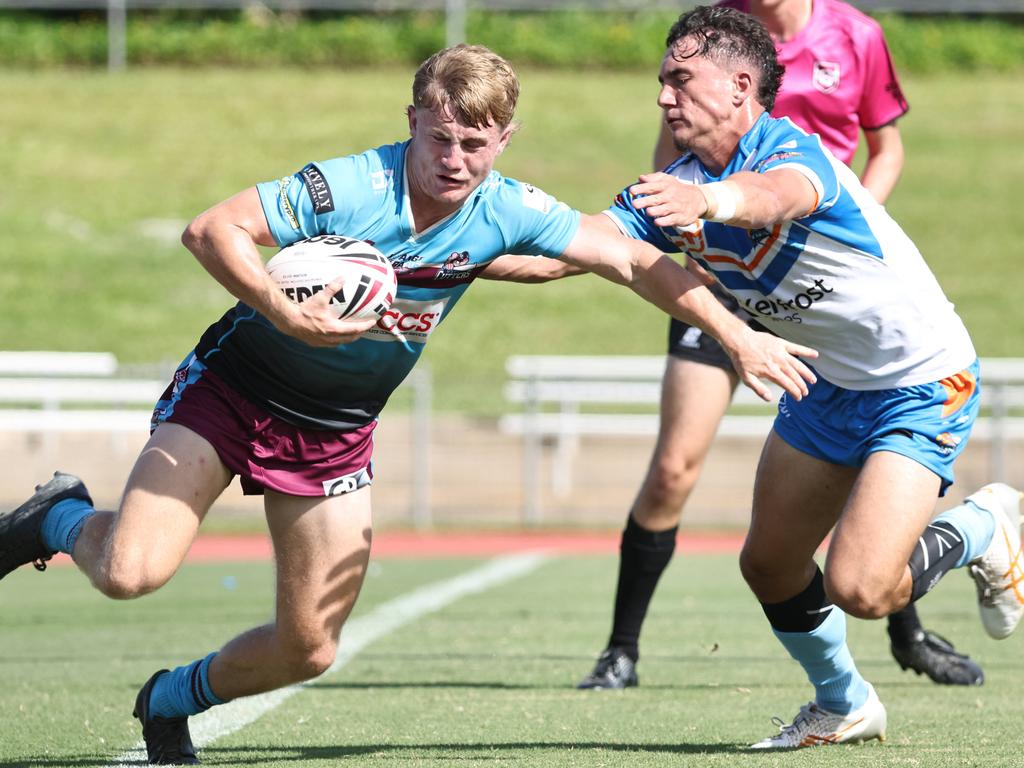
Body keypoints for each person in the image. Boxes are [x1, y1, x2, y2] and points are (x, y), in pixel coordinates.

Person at [0, 44, 815, 766]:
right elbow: (212, 229)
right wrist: (287, 312)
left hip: (336, 431)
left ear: (503, 141)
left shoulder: (509, 208)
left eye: (474, 143)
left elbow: (636, 263)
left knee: (308, 649)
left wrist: (737, 337)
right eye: (439, 138)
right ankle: (57, 519)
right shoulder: (350, 185)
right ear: (413, 123)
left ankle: (170, 699)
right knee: (131, 571)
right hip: (235, 390)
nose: (454, 160)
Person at [591, 5, 1022, 747]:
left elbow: (771, 199)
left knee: (863, 589)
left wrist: (709, 204)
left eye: (680, 81)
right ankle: (844, 702)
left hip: (921, 378)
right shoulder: (678, 181)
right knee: (769, 563)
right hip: (827, 386)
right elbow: (586, 241)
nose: (663, 97)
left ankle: (987, 524)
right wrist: (472, 233)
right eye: (662, 81)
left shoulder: (795, 152)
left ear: (739, 86)